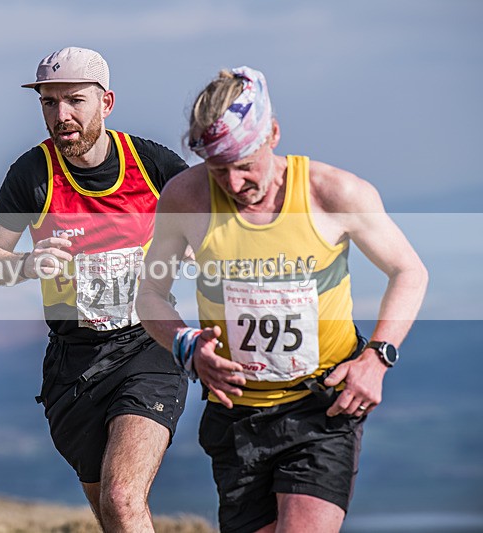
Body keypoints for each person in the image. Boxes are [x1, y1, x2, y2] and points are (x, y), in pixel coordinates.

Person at [136, 66, 428, 533]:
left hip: (321, 406)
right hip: (235, 412)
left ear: (272, 134)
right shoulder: (185, 197)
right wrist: (186, 344)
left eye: (244, 165)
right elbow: (150, 293)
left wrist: (376, 358)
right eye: (218, 170)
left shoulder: (333, 193)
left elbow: (409, 271)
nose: (234, 184)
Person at [0, 47, 190, 531]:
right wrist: (26, 265)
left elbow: (214, 225)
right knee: (113, 515)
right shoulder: (32, 173)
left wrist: (196, 244)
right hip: (74, 364)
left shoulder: (152, 163)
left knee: (122, 498)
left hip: (148, 344)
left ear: (106, 102)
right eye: (49, 103)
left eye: (75, 100)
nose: (61, 115)